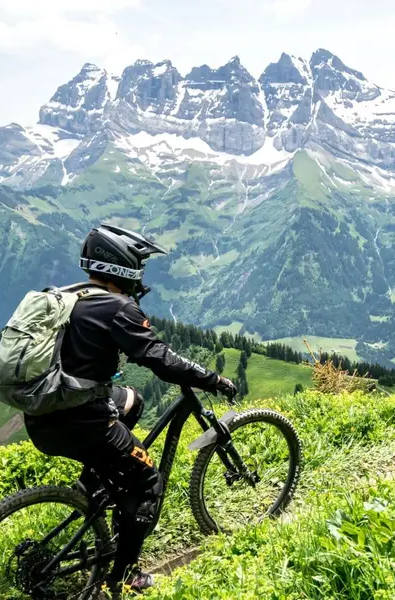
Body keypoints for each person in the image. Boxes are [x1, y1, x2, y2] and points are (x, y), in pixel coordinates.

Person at [23, 224, 237, 596]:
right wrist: (213, 379)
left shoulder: (67, 295)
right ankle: (123, 576)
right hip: (82, 422)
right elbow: (162, 359)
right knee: (148, 479)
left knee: (131, 400)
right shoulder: (118, 307)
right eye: (138, 264)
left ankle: (97, 483)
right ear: (123, 266)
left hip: (43, 412)